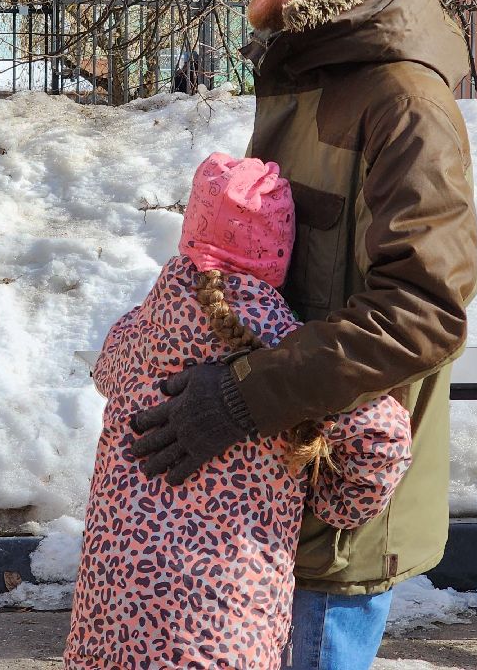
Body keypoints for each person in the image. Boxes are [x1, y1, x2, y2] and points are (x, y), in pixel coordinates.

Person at [130, 0, 477, 669]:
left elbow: (423, 312)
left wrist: (244, 398)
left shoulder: (402, 99)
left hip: (338, 506)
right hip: (279, 483)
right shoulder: (314, 71)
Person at [66, 153, 412, 670]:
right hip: (219, 617)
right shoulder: (282, 349)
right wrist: (337, 506)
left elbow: (105, 375)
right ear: (281, 253)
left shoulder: (134, 330)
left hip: (112, 610)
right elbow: (382, 435)